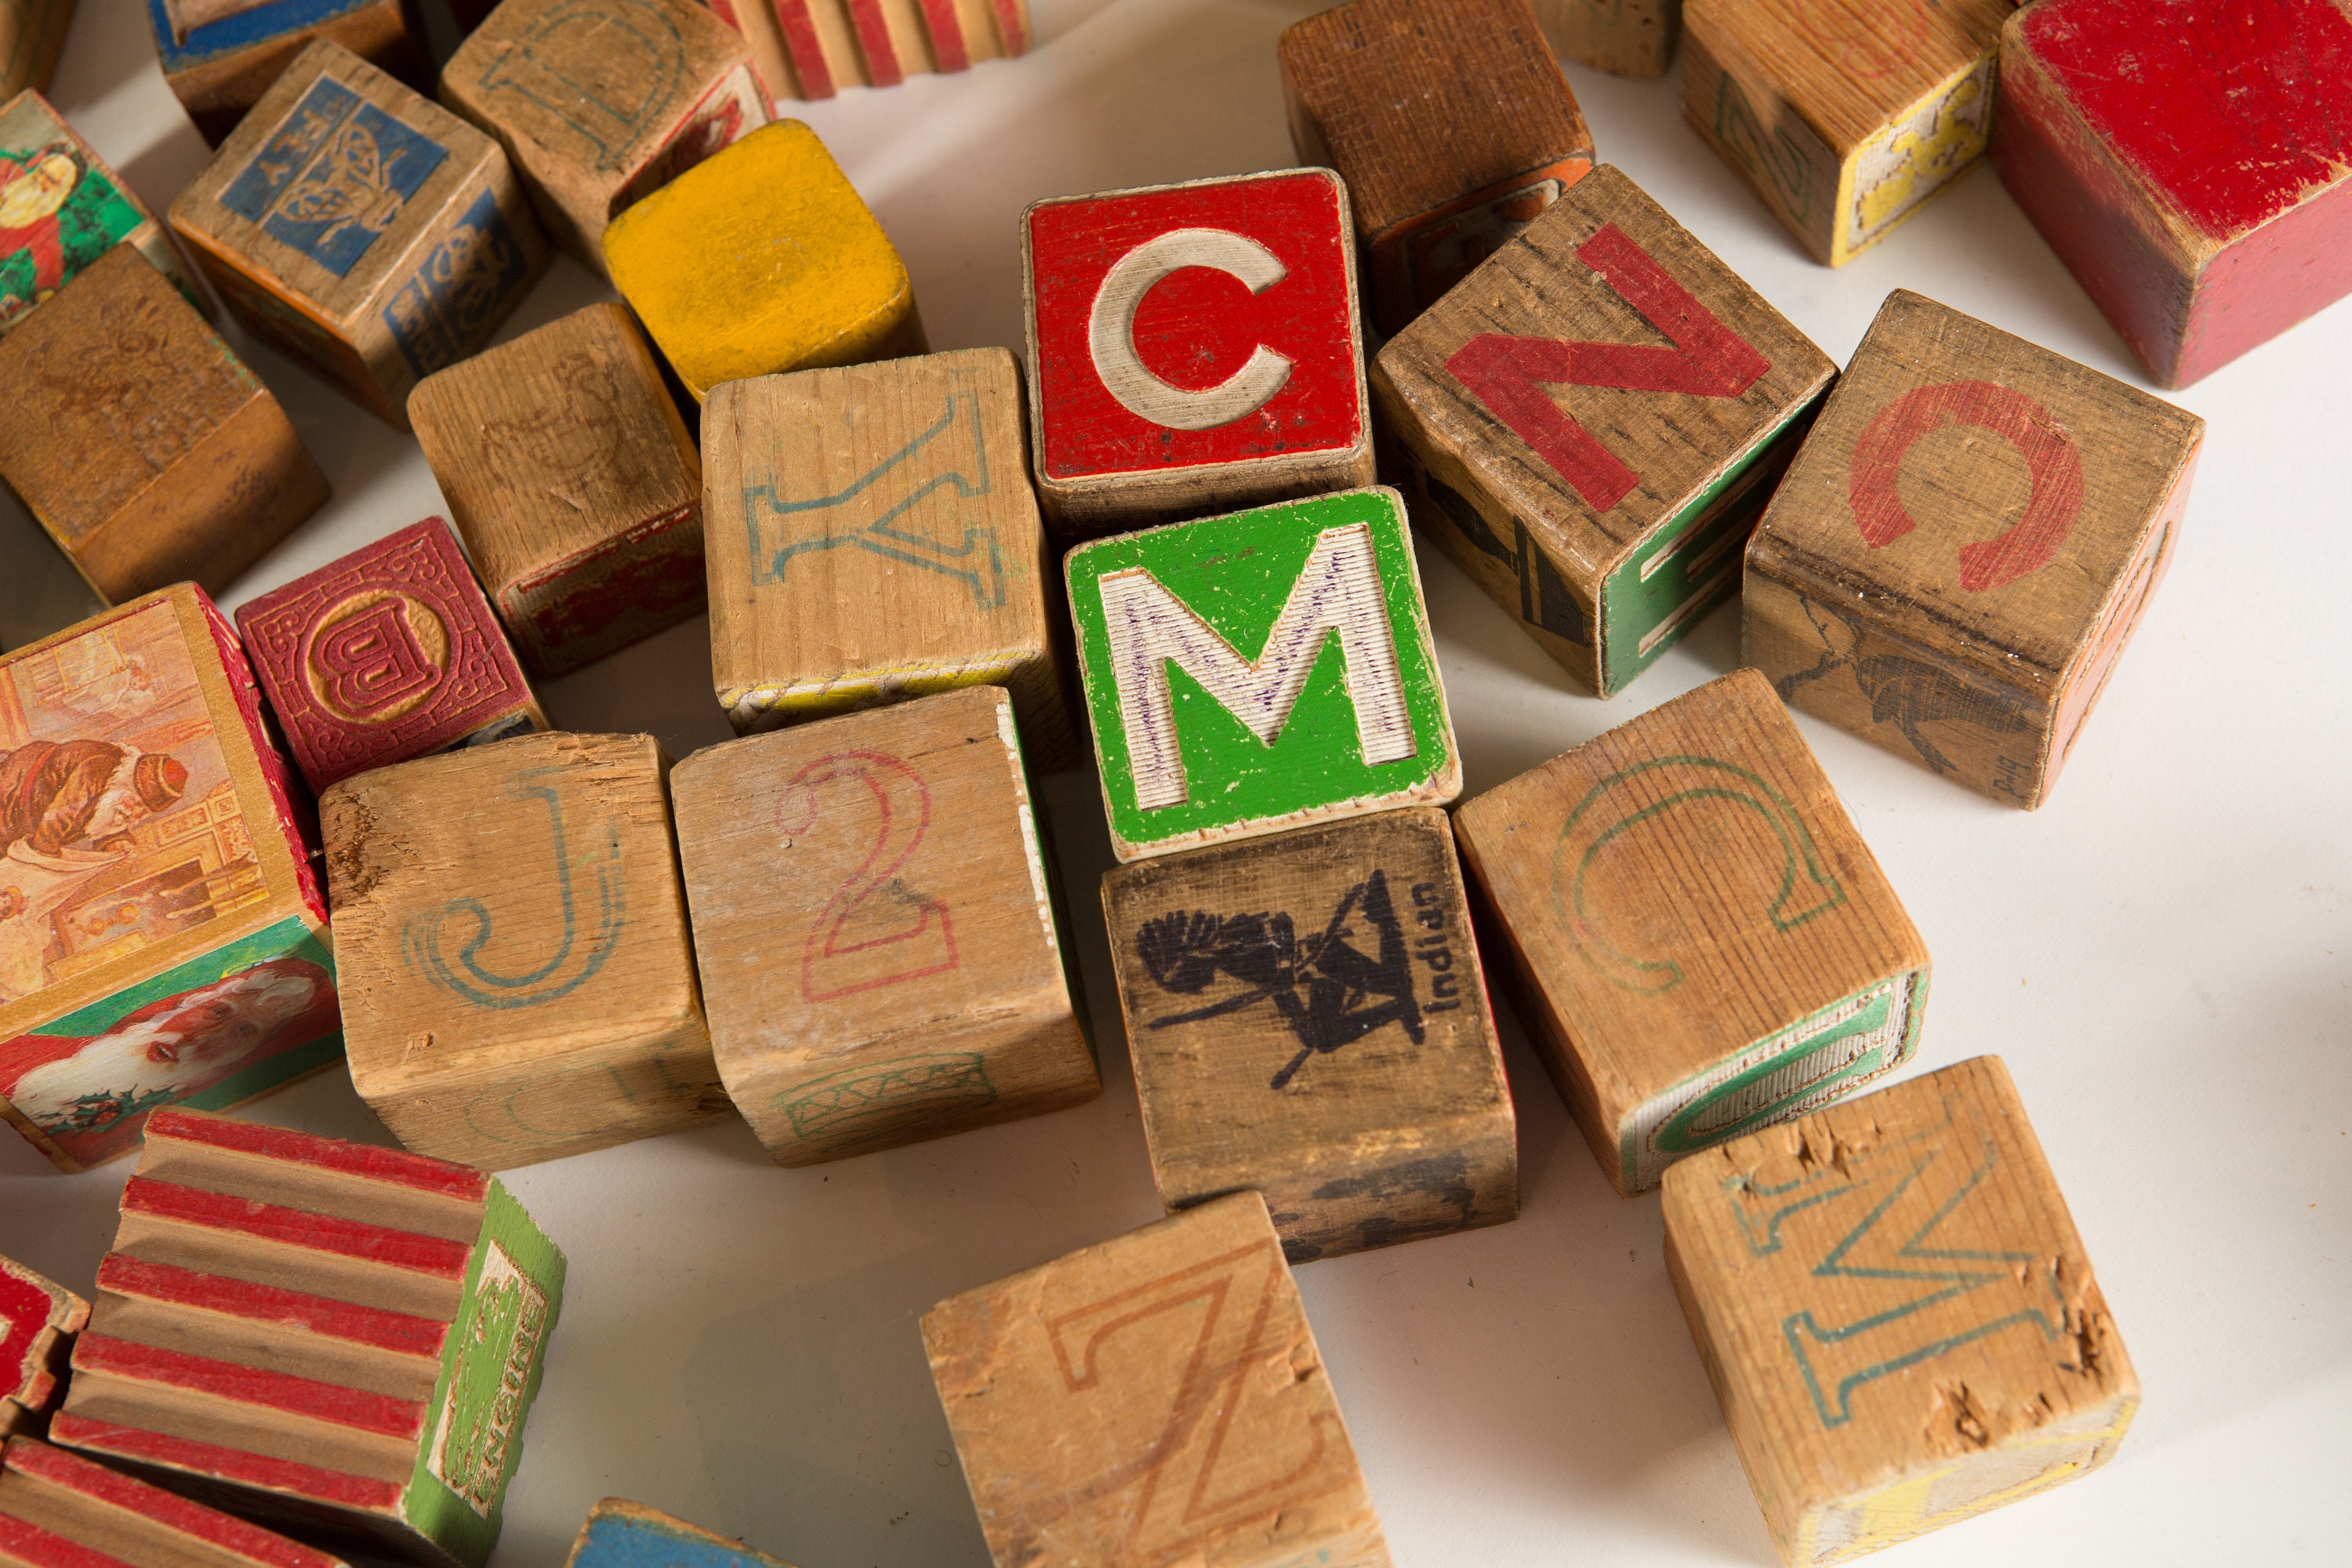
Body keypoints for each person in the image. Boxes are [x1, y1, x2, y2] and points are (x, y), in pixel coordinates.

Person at [0, 956, 336, 1165]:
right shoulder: (21, 1049)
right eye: (217, 1011)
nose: (197, 1038)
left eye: (243, 1031)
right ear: (190, 1002)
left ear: (244, 1056)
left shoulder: (120, 1146)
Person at [0, 740, 189, 1004]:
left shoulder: (117, 785)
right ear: (129, 784)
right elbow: (57, 819)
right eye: (136, 803)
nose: (134, 813)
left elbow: (101, 820)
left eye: (142, 812)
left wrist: (115, 841)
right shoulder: (97, 769)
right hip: (11, 799)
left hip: (25, 819)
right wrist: (43, 869)